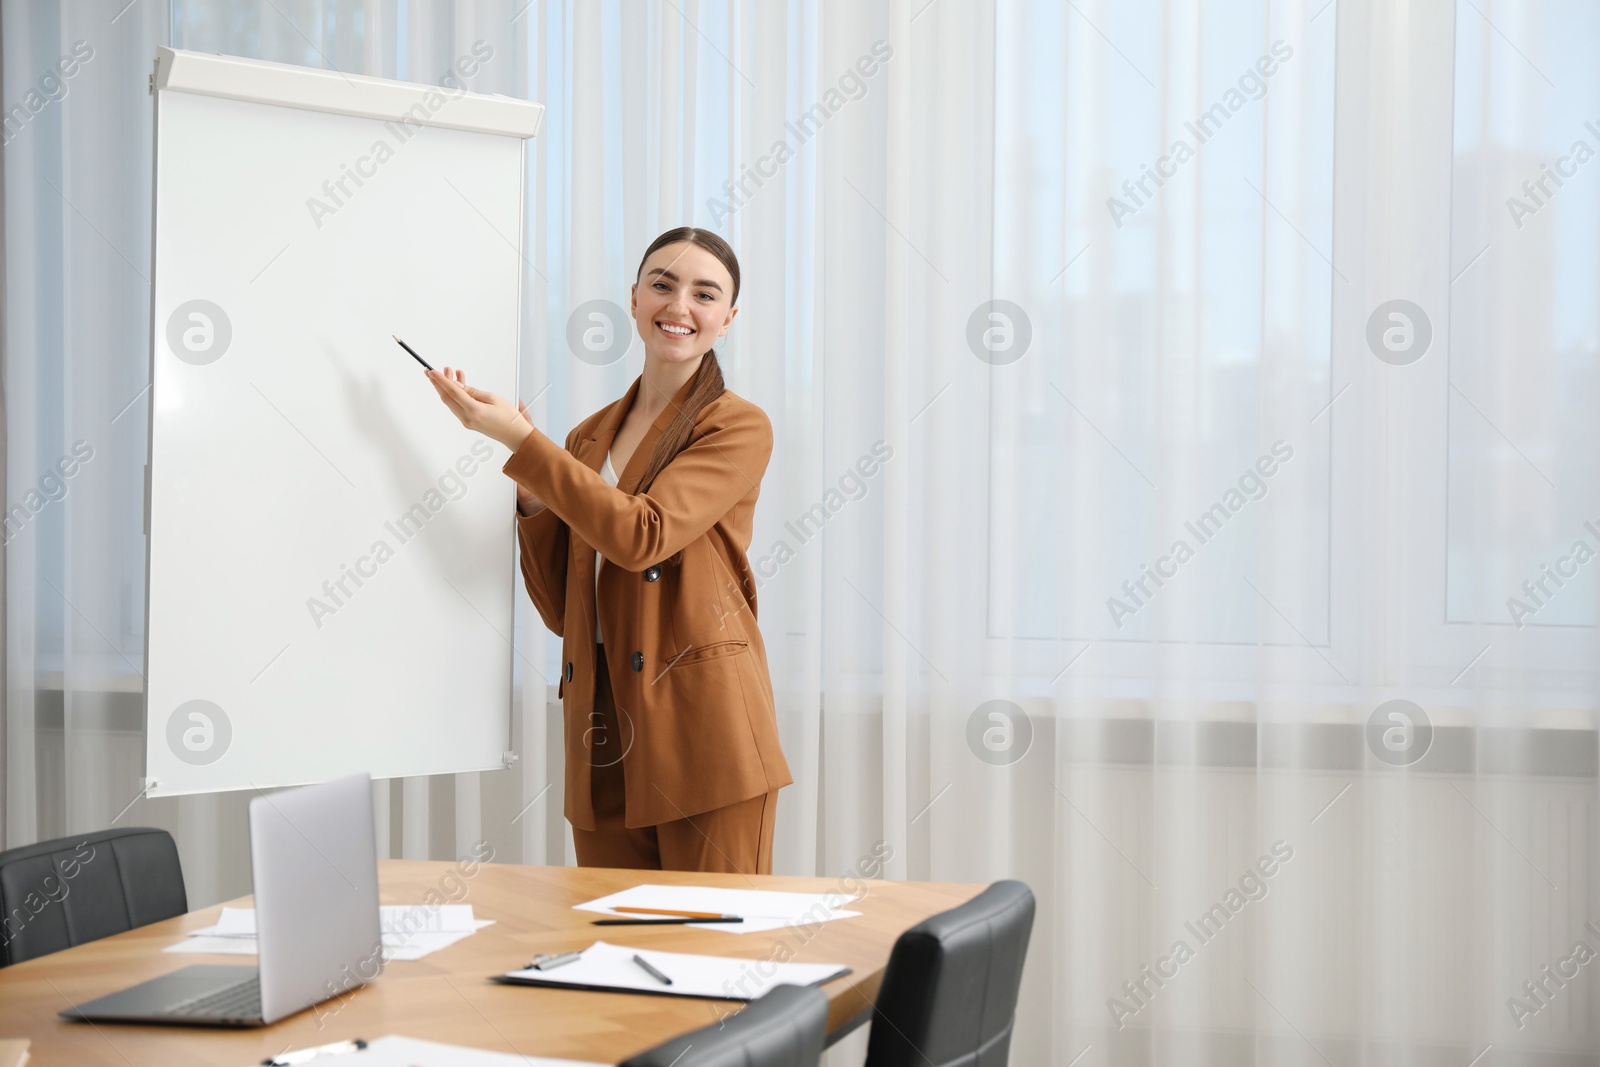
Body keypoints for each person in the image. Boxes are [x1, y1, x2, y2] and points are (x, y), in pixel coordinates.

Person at [425, 226, 792, 874]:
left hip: (703, 734)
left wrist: (526, 448)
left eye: (704, 294)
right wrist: (537, 488)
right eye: (663, 284)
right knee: (609, 951)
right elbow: (563, 609)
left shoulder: (735, 424)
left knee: (714, 953)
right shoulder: (588, 435)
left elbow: (641, 534)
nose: (679, 306)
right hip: (601, 736)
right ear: (633, 298)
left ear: (727, 318)